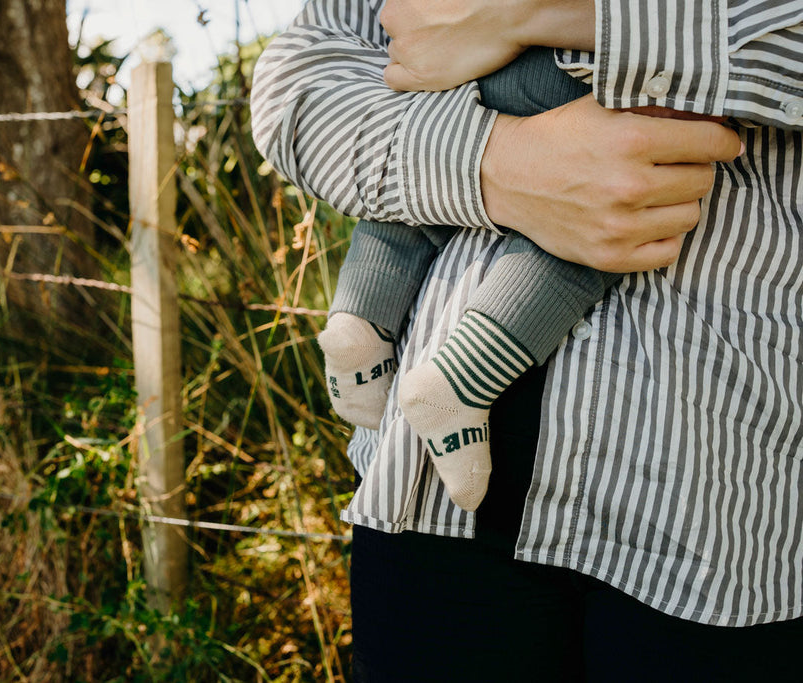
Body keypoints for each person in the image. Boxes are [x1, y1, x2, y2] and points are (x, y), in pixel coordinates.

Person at [250, 0, 803, 680]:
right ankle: (397, 337)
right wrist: (491, 164)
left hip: (717, 496)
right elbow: (299, 78)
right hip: (424, 500)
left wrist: (533, 12)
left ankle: (370, 321)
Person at [316, 46, 624, 512]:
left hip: (466, 60)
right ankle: (462, 378)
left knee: (428, 168)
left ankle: (362, 316)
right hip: (582, 70)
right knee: (608, 210)